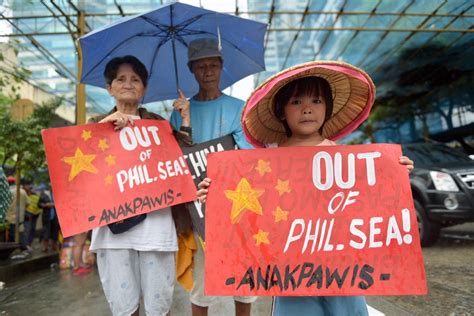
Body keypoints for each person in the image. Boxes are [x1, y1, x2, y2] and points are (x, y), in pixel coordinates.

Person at [197, 61, 415, 316]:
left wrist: (395, 175)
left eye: (316, 101)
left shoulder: (344, 157)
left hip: (341, 266)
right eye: (297, 102)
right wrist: (213, 195)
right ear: (281, 110)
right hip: (291, 271)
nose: (307, 109)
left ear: (328, 108)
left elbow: (372, 203)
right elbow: (248, 213)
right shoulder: (267, 161)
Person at [88, 55, 192, 316]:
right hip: (112, 234)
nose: (128, 84)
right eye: (120, 79)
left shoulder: (160, 125)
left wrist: (185, 121)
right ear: (109, 88)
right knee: (124, 308)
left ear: (144, 88)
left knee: (160, 307)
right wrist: (104, 129)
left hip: (156, 229)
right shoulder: (94, 124)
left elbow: (183, 166)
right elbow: (82, 173)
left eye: (135, 79)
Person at [170, 37, 256, 316]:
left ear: (221, 67)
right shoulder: (179, 112)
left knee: (243, 276)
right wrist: (184, 120)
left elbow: (247, 155)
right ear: (191, 70)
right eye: (201, 66)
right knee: (203, 279)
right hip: (197, 207)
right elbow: (176, 157)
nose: (207, 71)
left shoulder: (240, 108)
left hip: (236, 201)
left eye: (213, 65)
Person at [38, 184, 58, 252]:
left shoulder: (57, 194)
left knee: (55, 232)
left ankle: (54, 246)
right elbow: (39, 204)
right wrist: (46, 205)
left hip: (55, 217)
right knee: (46, 232)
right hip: (47, 217)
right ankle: (45, 247)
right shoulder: (44, 194)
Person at [23, 183, 42, 250]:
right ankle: (27, 244)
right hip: (28, 214)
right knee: (28, 229)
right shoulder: (25, 195)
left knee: (32, 229)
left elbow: (38, 204)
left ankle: (29, 243)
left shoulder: (34, 195)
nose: (29, 190)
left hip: (34, 215)